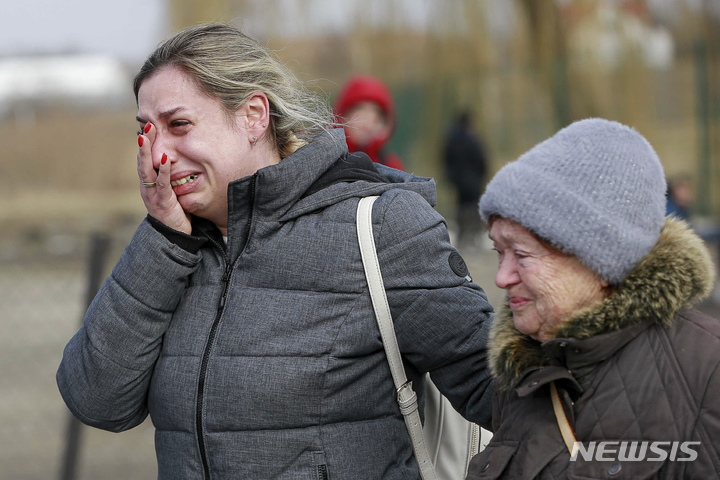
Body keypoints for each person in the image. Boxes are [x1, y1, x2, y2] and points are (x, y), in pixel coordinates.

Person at [56, 24, 495, 480]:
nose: (158, 153)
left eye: (178, 124)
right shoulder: (173, 246)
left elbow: (502, 391)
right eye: (147, 131)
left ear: (253, 116)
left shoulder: (379, 226)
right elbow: (96, 400)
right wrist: (163, 240)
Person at [466, 118, 720, 479]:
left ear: (602, 263)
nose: (501, 277)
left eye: (521, 255)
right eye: (498, 252)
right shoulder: (521, 372)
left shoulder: (707, 371)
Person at [334, 74, 405, 170]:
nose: (367, 119)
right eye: (360, 109)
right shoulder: (326, 158)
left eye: (376, 112)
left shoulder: (391, 165)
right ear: (343, 115)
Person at [443, 110, 488, 249]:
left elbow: (446, 159)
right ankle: (474, 237)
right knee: (474, 207)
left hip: (459, 181)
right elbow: (481, 160)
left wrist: (451, 177)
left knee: (461, 207)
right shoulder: (473, 140)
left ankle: (463, 237)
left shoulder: (451, 140)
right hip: (473, 180)